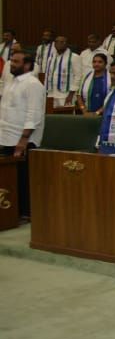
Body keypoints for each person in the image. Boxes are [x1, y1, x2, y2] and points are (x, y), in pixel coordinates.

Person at [1, 51, 45, 217]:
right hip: (7, 136)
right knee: (10, 178)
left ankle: (26, 212)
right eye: (11, 61)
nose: (11, 64)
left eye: (16, 62)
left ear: (27, 65)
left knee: (22, 179)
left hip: (23, 140)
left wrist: (23, 140)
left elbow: (33, 115)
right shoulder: (11, 81)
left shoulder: (33, 84)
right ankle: (12, 210)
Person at [42, 35, 80, 107]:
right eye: (57, 42)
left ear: (67, 44)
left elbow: (78, 77)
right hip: (51, 94)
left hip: (66, 95)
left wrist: (71, 95)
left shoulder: (74, 57)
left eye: (62, 42)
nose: (59, 43)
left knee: (66, 117)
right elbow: (47, 75)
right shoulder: (51, 58)